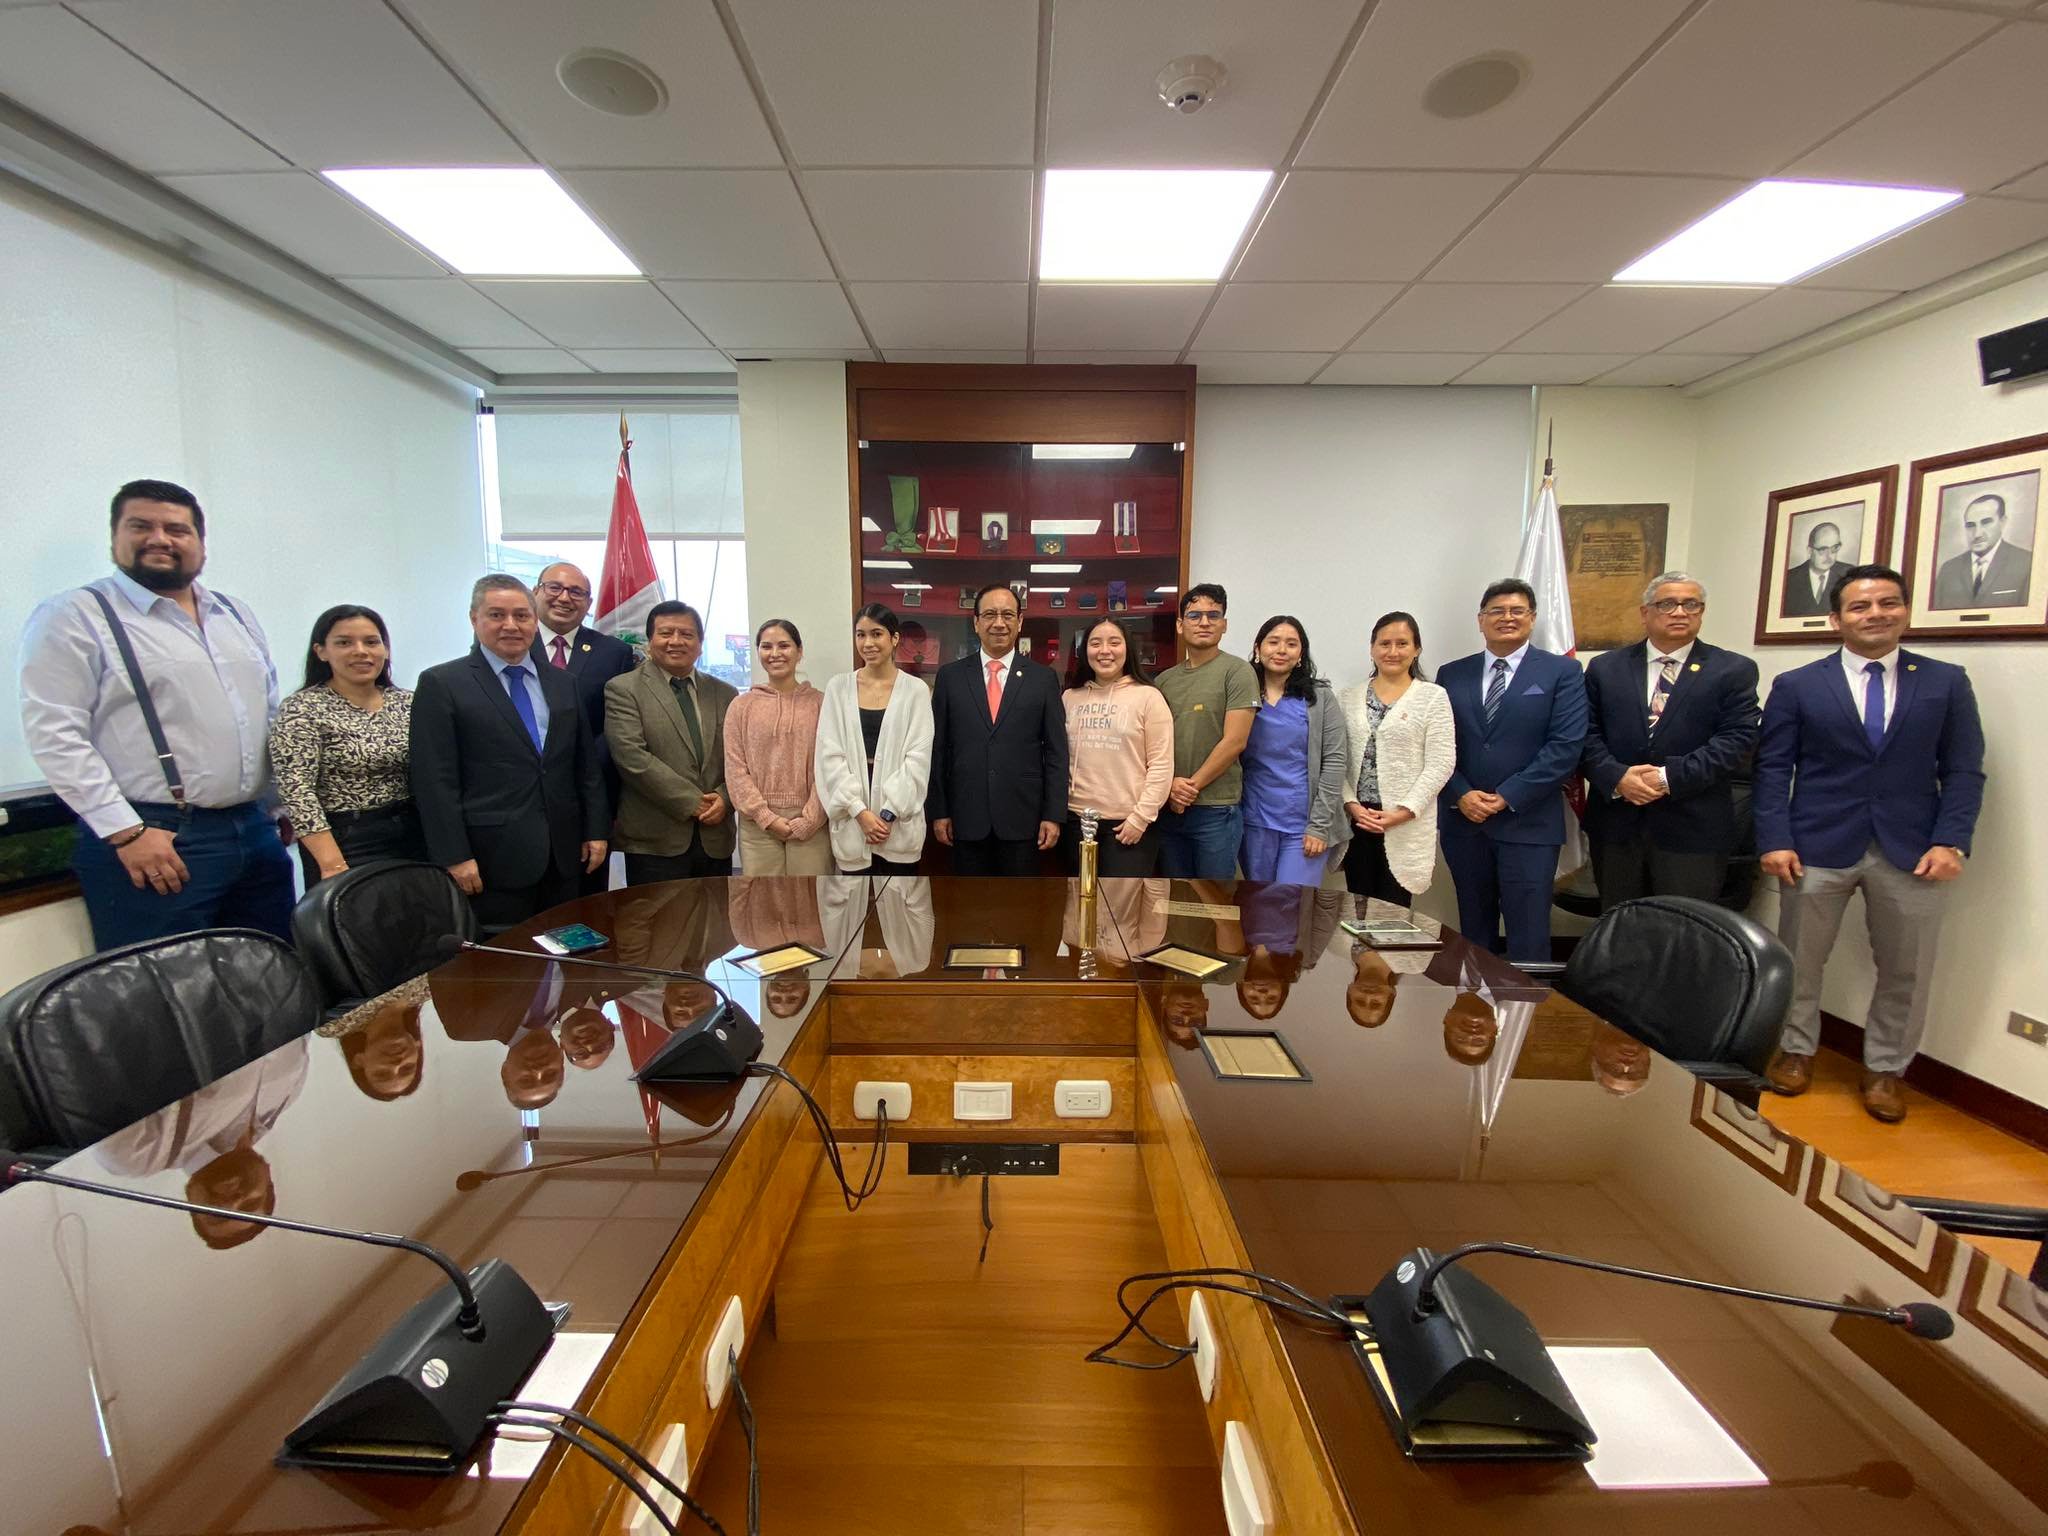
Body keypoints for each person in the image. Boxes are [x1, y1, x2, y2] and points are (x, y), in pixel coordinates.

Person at [1753, 564, 1986, 1124]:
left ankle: (1886, 1070)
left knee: (1907, 968)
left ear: (1906, 610)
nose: (1875, 614)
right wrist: (1775, 837)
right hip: (1815, 845)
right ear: (1836, 618)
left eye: (1888, 603)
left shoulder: (1945, 681)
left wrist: (1952, 840)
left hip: (1913, 850)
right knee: (1800, 960)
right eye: (1860, 607)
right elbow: (1771, 768)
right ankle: (1796, 1051)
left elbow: (1963, 770)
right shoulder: (1799, 684)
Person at [19, 478, 294, 948]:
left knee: (274, 980)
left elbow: (266, 714)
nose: (160, 539)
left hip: (254, 830)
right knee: (164, 998)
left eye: (177, 529)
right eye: (141, 526)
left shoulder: (235, 613)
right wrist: (126, 833)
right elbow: (55, 733)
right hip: (156, 835)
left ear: (200, 544)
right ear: (115, 538)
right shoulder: (76, 615)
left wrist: (280, 802)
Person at [410, 574, 608, 932]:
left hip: (563, 854)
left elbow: (584, 766)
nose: (511, 625)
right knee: (506, 969)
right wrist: (454, 855)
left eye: (521, 615)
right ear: (475, 619)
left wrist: (596, 829)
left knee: (567, 953)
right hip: (491, 858)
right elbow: (434, 781)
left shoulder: (563, 683)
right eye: (497, 615)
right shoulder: (442, 684)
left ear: (535, 620)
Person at [1580, 573, 1760, 908]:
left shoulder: (1732, 670)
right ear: (1645, 613)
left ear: (1701, 612)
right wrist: (1617, 776)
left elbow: (1736, 740)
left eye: (1690, 604)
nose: (1680, 612)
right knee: (1621, 928)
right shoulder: (1605, 668)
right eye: (1667, 604)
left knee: (1684, 934)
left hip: (1692, 829)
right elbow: (1585, 734)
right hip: (1618, 826)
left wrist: (1666, 778)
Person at [1436, 578, 1589, 965]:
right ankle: (1475, 1016)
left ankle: (1527, 1020)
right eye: (1496, 611)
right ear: (1480, 620)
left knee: (1528, 933)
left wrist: (1508, 796)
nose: (1507, 618)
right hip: (1465, 821)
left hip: (1529, 824)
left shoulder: (1561, 672)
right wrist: (1461, 793)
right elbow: (1437, 745)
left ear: (1532, 618)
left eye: (1517, 611)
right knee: (1474, 930)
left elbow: (1565, 747)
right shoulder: (1452, 674)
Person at [269, 604, 426, 887]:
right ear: (321, 651)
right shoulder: (302, 708)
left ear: (385, 649)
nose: (360, 651)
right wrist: (332, 864)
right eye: (344, 643)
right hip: (344, 841)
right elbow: (297, 791)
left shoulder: (408, 702)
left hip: (414, 833)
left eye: (371, 642)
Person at [927, 582, 1067, 875]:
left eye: (1007, 615)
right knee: (969, 911)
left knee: (1020, 912)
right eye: (990, 615)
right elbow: (938, 749)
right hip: (966, 817)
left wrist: (1053, 814)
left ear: (1020, 622)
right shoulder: (950, 677)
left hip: (1024, 818)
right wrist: (940, 811)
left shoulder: (1043, 679)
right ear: (976, 622)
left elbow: (1056, 752)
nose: (999, 623)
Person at [605, 601, 738, 884]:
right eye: (666, 633)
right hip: (654, 841)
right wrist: (692, 802)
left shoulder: (725, 693)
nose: (676, 641)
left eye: (686, 634)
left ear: (700, 643)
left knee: (715, 923)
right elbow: (631, 757)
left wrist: (726, 798)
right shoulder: (623, 689)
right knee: (658, 926)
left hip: (715, 837)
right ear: (650, 640)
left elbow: (742, 758)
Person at [531, 562, 638, 892]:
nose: (565, 598)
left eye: (576, 592)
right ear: (536, 592)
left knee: (587, 904)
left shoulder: (614, 652)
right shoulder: (513, 644)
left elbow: (617, 726)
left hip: (590, 798)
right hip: (523, 802)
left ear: (589, 603)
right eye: (555, 588)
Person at [1339, 611, 1455, 904]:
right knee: (1358, 910)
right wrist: (1351, 804)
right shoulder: (1347, 698)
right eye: (1384, 643)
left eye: (1402, 643)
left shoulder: (1433, 697)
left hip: (1404, 821)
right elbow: (1335, 759)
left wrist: (1403, 812)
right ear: (1372, 648)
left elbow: (1441, 763)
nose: (1392, 651)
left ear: (1416, 649)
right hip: (1358, 820)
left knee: (1394, 916)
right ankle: (1360, 953)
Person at [817, 604, 934, 874]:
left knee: (901, 908)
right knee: (854, 910)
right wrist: (860, 812)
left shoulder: (916, 690)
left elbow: (918, 759)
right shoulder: (838, 687)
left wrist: (888, 813)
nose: (867, 643)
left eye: (876, 634)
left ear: (894, 639)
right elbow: (829, 755)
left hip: (900, 822)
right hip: (852, 817)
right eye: (861, 635)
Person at [1155, 584, 1259, 879]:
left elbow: (1235, 741)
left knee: (1216, 903)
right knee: (1174, 902)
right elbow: (1154, 744)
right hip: (1168, 808)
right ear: (1180, 625)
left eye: (1213, 615)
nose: (1204, 622)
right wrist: (1170, 786)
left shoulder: (1237, 672)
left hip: (1215, 811)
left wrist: (1189, 788)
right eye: (1195, 615)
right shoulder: (1164, 681)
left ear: (1224, 624)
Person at [1237, 615, 1349, 886]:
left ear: (1301, 654)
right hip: (1254, 821)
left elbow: (1335, 761)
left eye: (1291, 644)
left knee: (1292, 906)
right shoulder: (1240, 694)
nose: (1281, 650)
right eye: (1273, 642)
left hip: (1304, 824)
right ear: (1257, 648)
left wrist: (1319, 826)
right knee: (1258, 904)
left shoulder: (1319, 697)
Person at [1061, 617, 1174, 876]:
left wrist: (1140, 818)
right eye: (1095, 643)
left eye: (1114, 642)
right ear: (1084, 650)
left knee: (1121, 911)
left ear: (1127, 649)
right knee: (1078, 906)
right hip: (1075, 822)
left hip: (1127, 824)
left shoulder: (1148, 697)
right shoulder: (1070, 697)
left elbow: (1161, 764)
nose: (1104, 651)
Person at [724, 618, 830, 875]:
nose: (775, 654)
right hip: (757, 827)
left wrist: (810, 819)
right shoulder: (741, 706)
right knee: (763, 907)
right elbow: (735, 769)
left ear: (799, 651)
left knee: (811, 906)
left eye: (784, 646)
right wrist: (766, 818)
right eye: (766, 646)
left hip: (812, 826)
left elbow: (831, 766)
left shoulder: (822, 704)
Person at [1931, 493, 2033, 609]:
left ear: (2002, 522)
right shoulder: (1948, 569)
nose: (1977, 534)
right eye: (1970, 525)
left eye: (1986, 522)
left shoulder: (2027, 563)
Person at [1783, 521, 1846, 618]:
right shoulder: (1788, 579)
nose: (1829, 556)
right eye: (1822, 549)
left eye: (1834, 548)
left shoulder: (1849, 575)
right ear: (1810, 551)